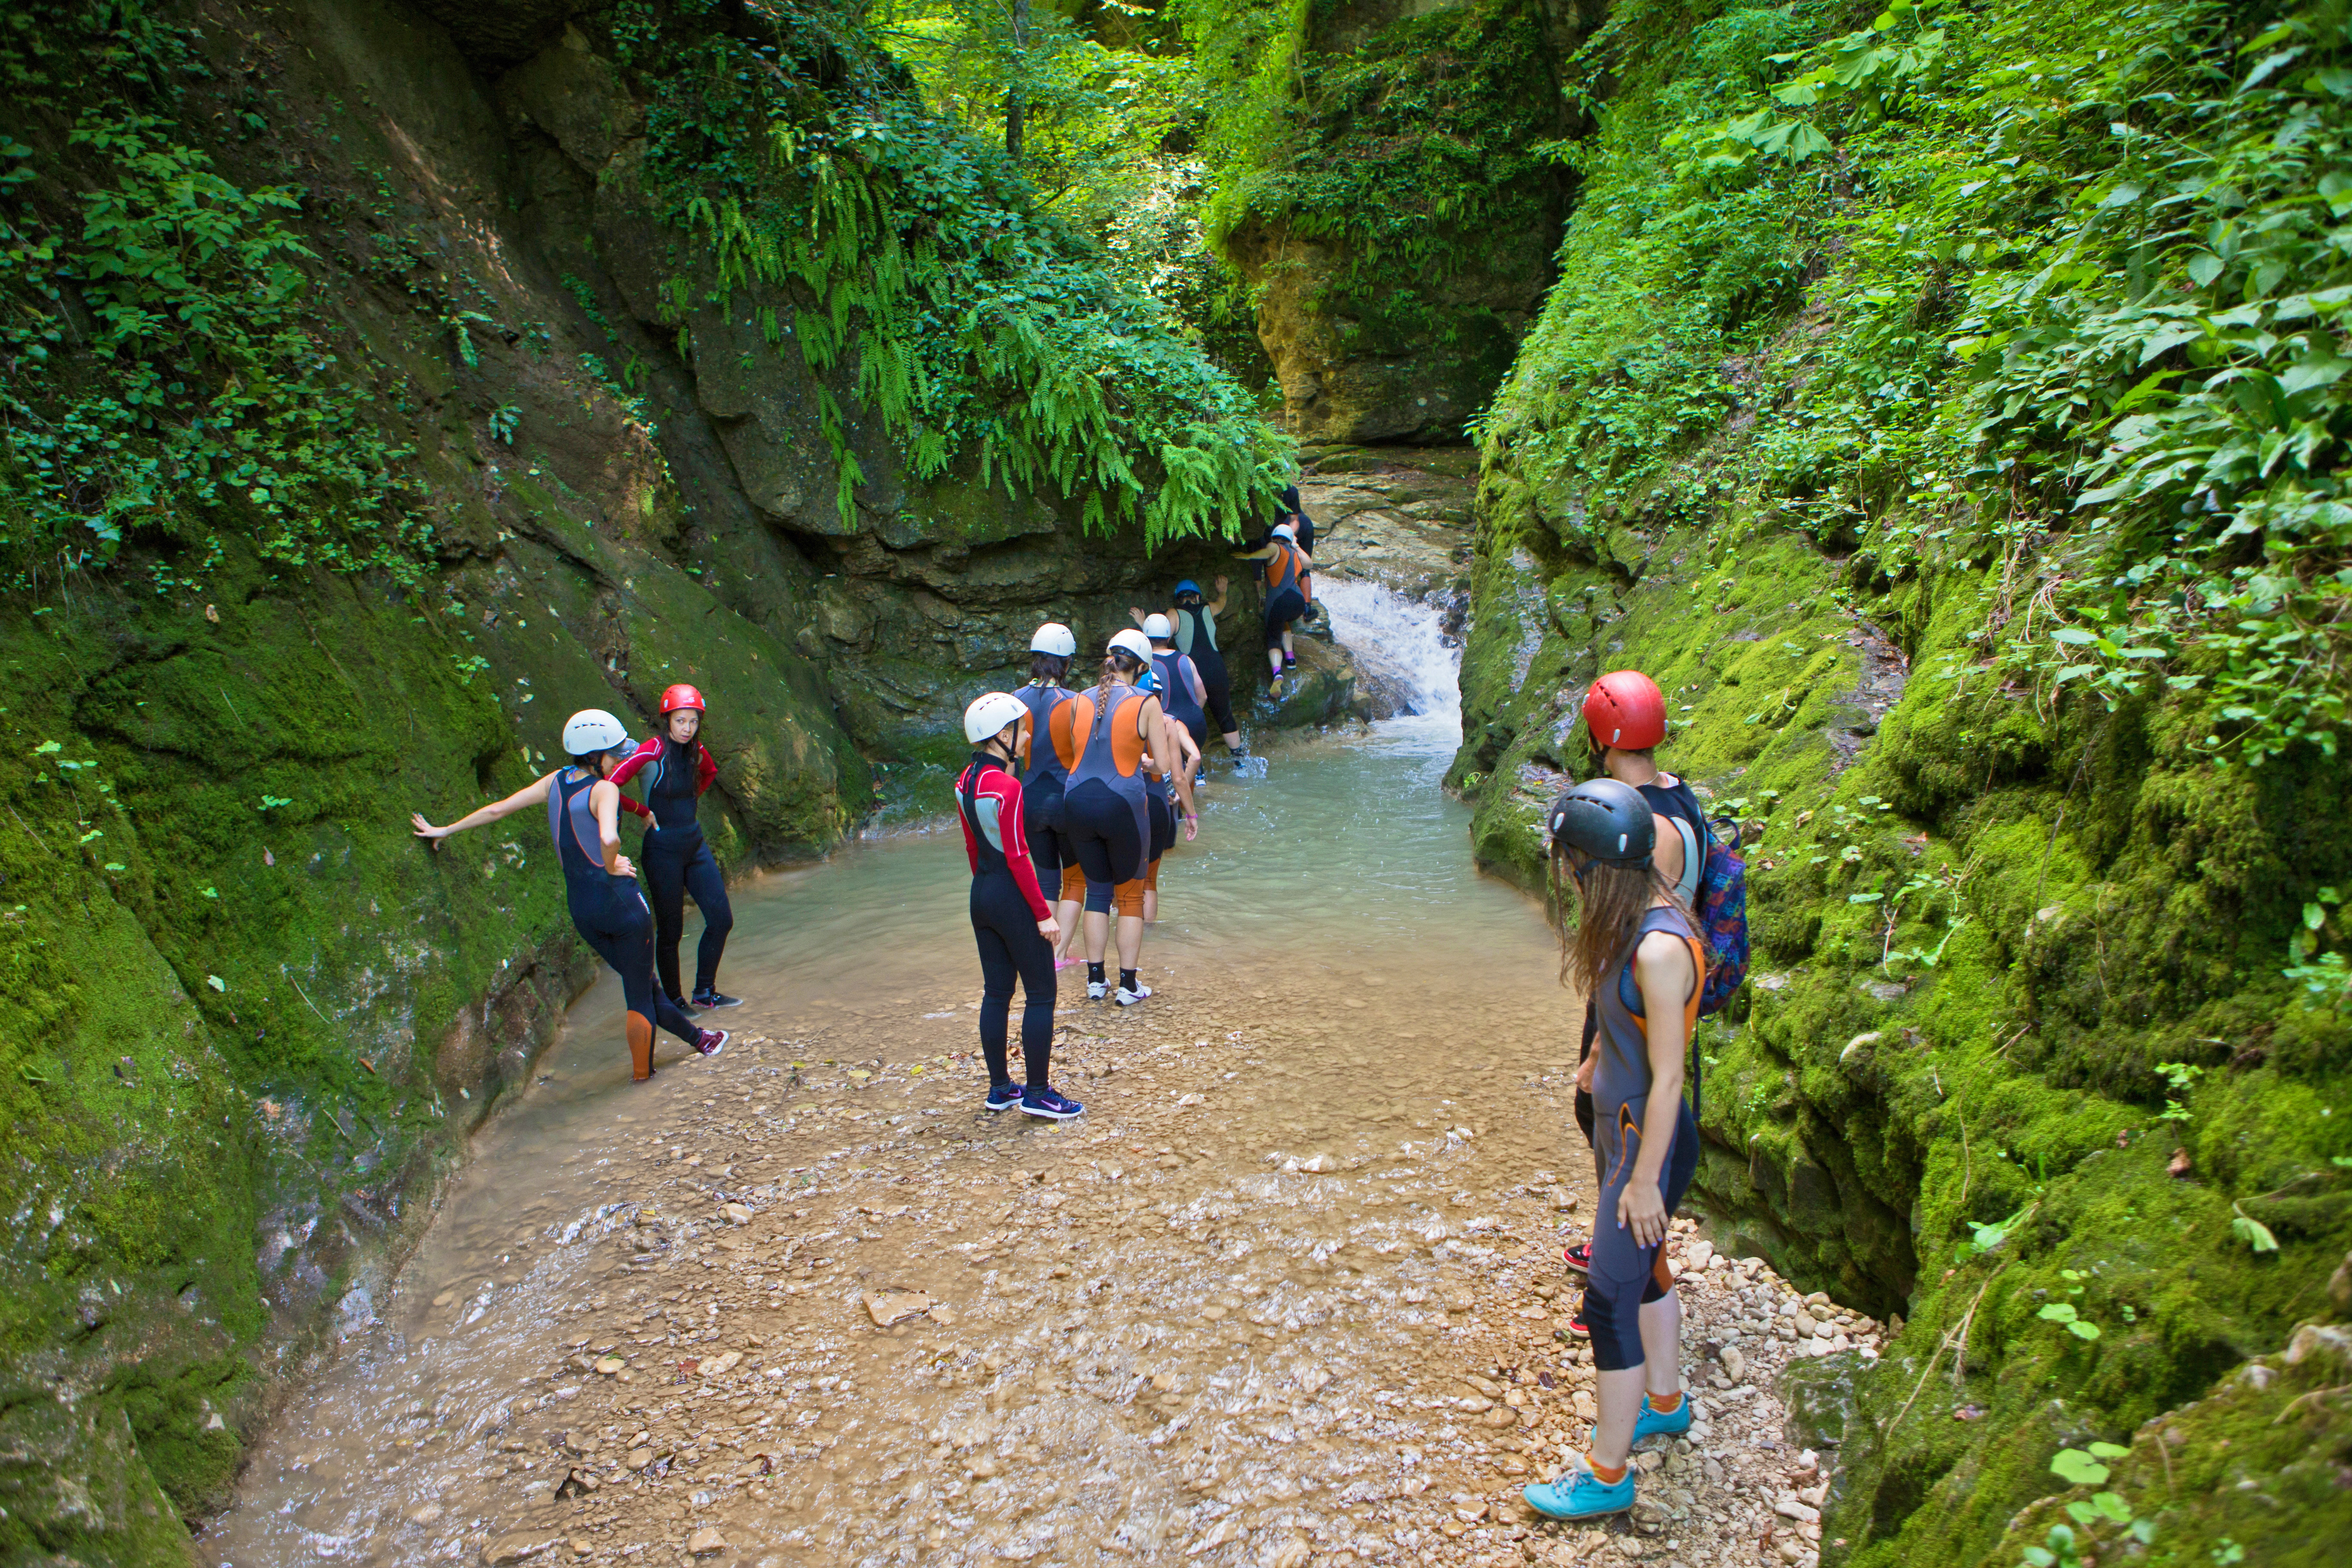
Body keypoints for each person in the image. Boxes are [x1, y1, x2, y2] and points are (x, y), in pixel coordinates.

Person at [1524, 776, 1703, 1523]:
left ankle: (1606, 1472)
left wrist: (1642, 1184)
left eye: (1567, 861)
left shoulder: (1661, 947)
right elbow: (1613, 1008)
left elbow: (1669, 1079)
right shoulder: (1624, 915)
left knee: (1607, 1300)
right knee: (1647, 1271)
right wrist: (1597, 1052)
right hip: (1620, 1122)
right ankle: (1664, 1400)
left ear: (1593, 865)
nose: (1563, 872)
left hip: (1646, 1138)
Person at [411, 710, 727, 1081]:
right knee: (640, 994)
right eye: (614, 753)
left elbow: (498, 809)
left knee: (643, 982)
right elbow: (609, 838)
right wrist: (612, 865)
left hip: (582, 909)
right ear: (595, 756)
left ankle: (701, 1039)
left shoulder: (554, 782)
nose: (621, 759)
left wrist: (445, 829)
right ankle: (644, 1078)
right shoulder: (605, 790)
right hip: (621, 906)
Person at [1560, 671, 1712, 1296]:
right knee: (1646, 1124)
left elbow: (1622, 930)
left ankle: (1631, 1276)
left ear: (1601, 737)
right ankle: (1623, 1247)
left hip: (1637, 996)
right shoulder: (1684, 800)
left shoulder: (1633, 826)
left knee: (1615, 1122)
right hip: (1677, 991)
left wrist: (1597, 1046)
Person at [1051, 630, 1197, 1004]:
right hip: (1123, 805)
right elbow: (1161, 767)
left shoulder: (1079, 700)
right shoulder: (1146, 701)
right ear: (1143, 667)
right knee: (1130, 896)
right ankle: (1129, 986)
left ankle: (1096, 982)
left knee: (1097, 893)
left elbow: (1075, 754)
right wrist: (1144, 760)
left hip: (1077, 802)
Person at [955, 693, 1082, 1120]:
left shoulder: (965, 781)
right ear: (1002, 736)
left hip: (982, 895)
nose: (1028, 736)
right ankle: (1039, 1094)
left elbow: (975, 848)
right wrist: (1043, 915)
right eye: (1022, 729)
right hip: (1011, 896)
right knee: (1042, 993)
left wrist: (989, 895)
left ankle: (1000, 1089)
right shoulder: (1008, 788)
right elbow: (1019, 856)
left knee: (997, 993)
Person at [607, 684, 738, 1012]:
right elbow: (608, 786)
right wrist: (641, 810)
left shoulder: (697, 751)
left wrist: (691, 798)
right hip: (662, 850)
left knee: (721, 919)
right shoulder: (651, 751)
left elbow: (710, 773)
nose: (687, 729)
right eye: (680, 721)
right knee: (671, 931)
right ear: (667, 720)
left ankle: (705, 992)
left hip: (694, 844)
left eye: (693, 722)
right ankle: (675, 1001)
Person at [1010, 623, 1085, 971]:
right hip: (1065, 799)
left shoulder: (1014, 700)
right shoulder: (1075, 702)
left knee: (1045, 880)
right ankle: (1059, 955)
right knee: (1075, 879)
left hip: (1027, 801)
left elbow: (1010, 757)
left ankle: (1042, 954)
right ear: (1066, 663)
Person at [1132, 660, 1202, 925]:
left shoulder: (1118, 719)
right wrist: (1191, 814)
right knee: (1149, 879)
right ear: (1160, 698)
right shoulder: (1167, 724)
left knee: (1121, 876)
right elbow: (1180, 776)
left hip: (1128, 802)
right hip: (1158, 803)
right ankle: (1147, 937)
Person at [1162, 579, 1245, 766]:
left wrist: (1144, 623)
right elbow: (1222, 604)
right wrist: (1222, 591)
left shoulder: (1173, 614)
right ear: (1198, 596)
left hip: (1192, 671)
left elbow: (1162, 639)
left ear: (1178, 599)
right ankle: (1240, 761)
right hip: (1217, 668)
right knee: (1225, 715)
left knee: (1188, 717)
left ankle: (1196, 769)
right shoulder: (1209, 608)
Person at [1234, 523, 1313, 686]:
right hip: (1298, 603)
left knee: (1273, 638)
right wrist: (1296, 545)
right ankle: (1291, 659)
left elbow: (1268, 552)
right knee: (1284, 623)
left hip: (1278, 602)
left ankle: (1277, 672)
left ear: (1275, 536)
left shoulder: (1274, 546)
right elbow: (1309, 564)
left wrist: (1249, 556)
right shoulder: (1294, 552)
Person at [1141, 613, 1210, 788]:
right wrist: (1191, 714)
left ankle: (1179, 803)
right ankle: (1196, 779)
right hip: (1197, 722)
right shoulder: (1186, 658)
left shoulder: (1146, 665)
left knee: (1173, 777)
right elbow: (1203, 696)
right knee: (1191, 762)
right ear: (1168, 636)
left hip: (1171, 725)